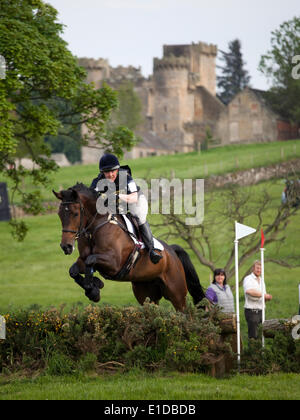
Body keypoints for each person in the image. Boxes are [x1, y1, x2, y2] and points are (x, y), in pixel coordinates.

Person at [90, 153, 162, 264]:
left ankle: (151, 250)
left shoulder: (126, 177)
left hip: (135, 201)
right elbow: (90, 198)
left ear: (117, 170)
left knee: (138, 216)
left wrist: (117, 196)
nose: (110, 175)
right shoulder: (97, 182)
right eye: (107, 172)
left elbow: (133, 198)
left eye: (113, 171)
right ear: (102, 173)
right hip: (117, 206)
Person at [243, 260, 272, 340]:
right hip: (252, 311)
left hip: (261, 311)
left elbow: (264, 297)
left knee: (261, 336)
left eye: (260, 269)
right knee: (253, 336)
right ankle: (253, 352)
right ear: (253, 268)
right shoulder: (248, 279)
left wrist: (267, 298)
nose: (259, 270)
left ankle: (260, 352)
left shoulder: (262, 280)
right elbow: (249, 291)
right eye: (257, 268)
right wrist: (264, 295)